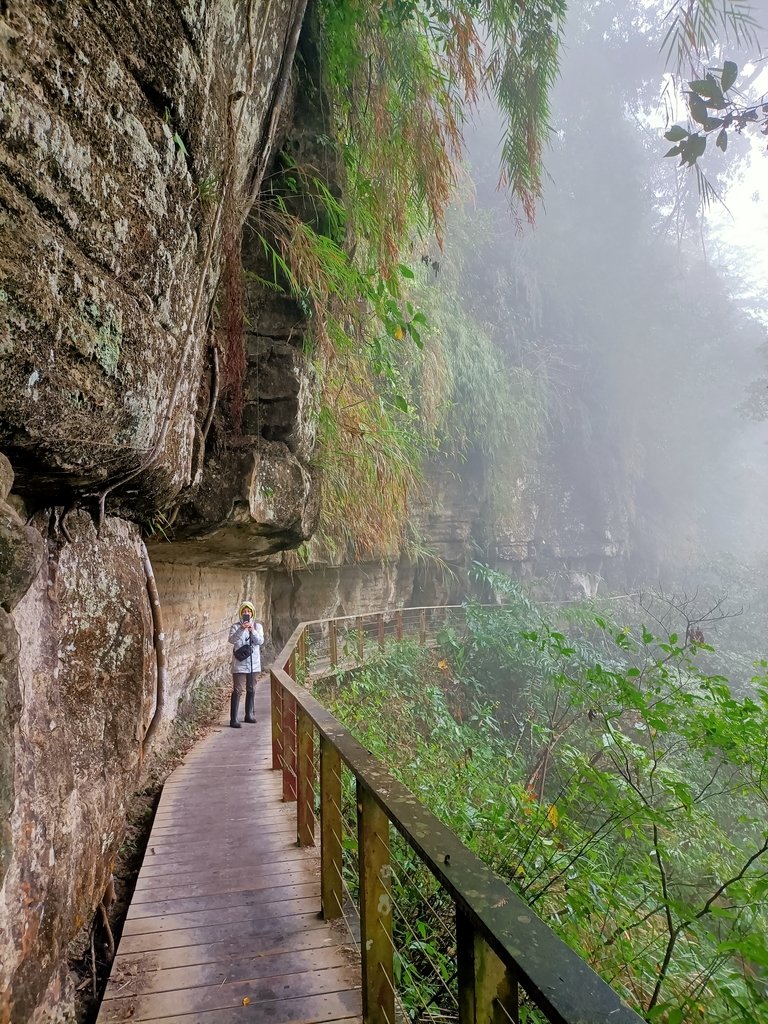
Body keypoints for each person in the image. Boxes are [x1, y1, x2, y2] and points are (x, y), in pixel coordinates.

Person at [228, 602, 264, 728]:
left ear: (252, 613)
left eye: (249, 611)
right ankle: (234, 719)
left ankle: (249, 715)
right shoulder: (235, 626)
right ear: (241, 613)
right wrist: (241, 629)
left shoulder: (257, 626)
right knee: (238, 689)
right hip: (239, 663)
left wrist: (252, 630)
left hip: (253, 663)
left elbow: (260, 641)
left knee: (251, 688)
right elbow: (231, 640)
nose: (246, 614)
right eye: (244, 611)